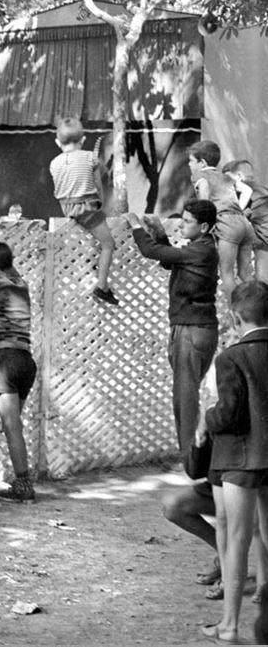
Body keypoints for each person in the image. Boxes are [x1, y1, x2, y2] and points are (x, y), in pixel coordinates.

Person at [199, 281, 268, 644]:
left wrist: (206, 420)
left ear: (236, 316)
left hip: (242, 459)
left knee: (237, 540)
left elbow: (227, 416)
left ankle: (229, 625)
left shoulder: (231, 357)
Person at [126, 201, 220, 459]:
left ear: (203, 226)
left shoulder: (200, 251)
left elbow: (150, 252)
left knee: (185, 398)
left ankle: (192, 458)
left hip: (190, 329)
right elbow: (171, 261)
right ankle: (196, 452)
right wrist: (159, 231)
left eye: (186, 221)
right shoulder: (202, 248)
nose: (181, 224)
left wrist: (136, 226)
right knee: (187, 394)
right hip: (199, 328)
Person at [0, 233, 38, 502]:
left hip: (4, 359)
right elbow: (5, 267)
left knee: (12, 426)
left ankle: (24, 486)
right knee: (15, 426)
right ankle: (21, 480)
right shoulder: (20, 284)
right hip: (26, 361)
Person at [49, 118, 118, 305]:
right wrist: (101, 204)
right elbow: (97, 185)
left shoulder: (54, 163)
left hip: (66, 206)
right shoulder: (90, 157)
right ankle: (102, 286)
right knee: (108, 244)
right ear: (83, 139)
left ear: (58, 142)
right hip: (85, 206)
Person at [191, 141, 255, 301]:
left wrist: (202, 217)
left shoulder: (200, 175)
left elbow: (204, 198)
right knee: (245, 273)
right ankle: (261, 312)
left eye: (191, 161)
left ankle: (235, 318)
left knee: (226, 273)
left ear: (202, 162)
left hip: (227, 225)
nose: (189, 165)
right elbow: (247, 189)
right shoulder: (225, 176)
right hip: (244, 224)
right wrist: (238, 208)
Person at [223, 159, 268, 282]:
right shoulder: (262, 190)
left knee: (261, 278)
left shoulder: (244, 191)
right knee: (260, 277)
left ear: (239, 176)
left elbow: (236, 216)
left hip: (264, 240)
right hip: (262, 241)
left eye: (227, 179)